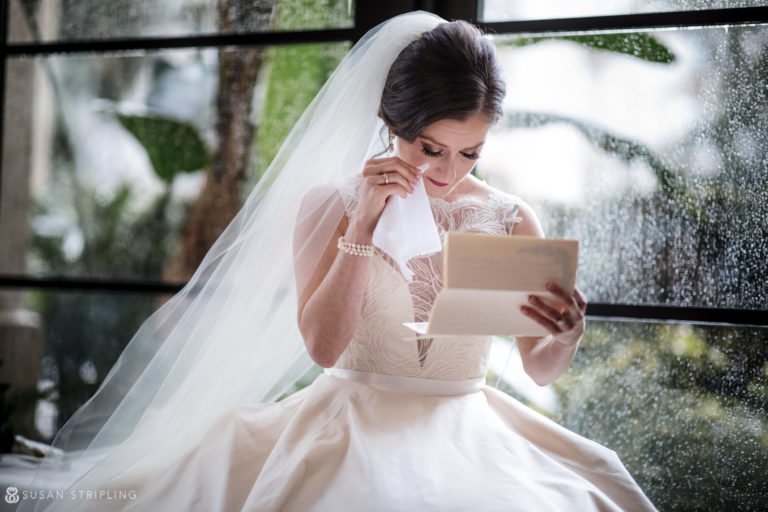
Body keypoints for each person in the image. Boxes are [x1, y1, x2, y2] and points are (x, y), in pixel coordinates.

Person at [18, 11, 656, 512]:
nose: (446, 171)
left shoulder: (511, 218)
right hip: (351, 423)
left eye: (469, 153)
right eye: (430, 147)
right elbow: (324, 347)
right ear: (393, 121)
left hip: (471, 427)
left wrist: (565, 337)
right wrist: (363, 224)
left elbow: (539, 370)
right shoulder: (330, 205)